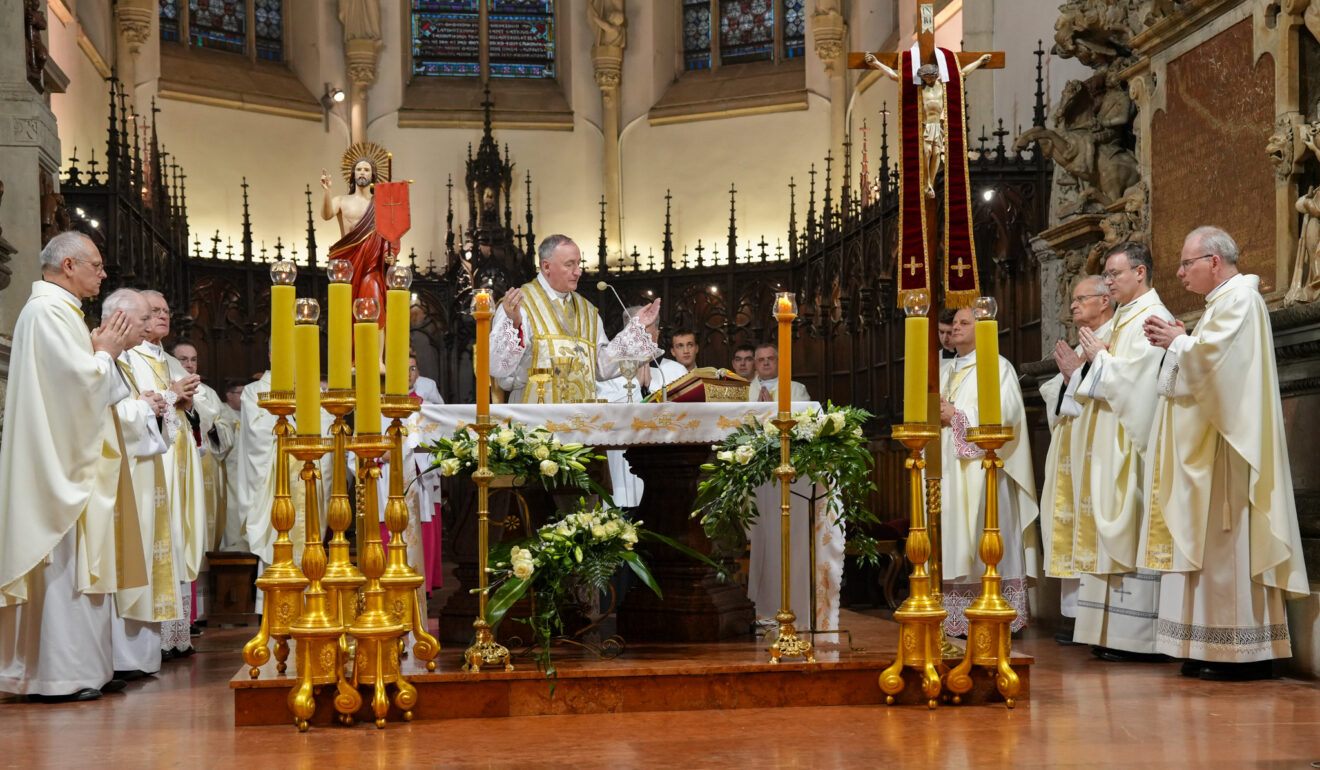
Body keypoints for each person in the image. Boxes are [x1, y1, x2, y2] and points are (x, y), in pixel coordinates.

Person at [1141, 226, 1308, 680]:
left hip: (1229, 450)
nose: (1179, 273)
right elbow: (1203, 362)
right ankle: (1203, 644)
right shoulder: (1222, 303)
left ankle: (1242, 654)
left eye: (1186, 263)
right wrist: (1180, 339)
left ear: (1214, 260)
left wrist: (1177, 341)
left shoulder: (1241, 300)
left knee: (1224, 546)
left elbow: (1218, 367)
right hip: (1211, 444)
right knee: (1204, 546)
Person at [0, 231, 141, 702]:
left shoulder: (63, 313)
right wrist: (106, 354)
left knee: (86, 563)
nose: (102, 275)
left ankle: (90, 668)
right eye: (96, 266)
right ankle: (57, 676)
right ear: (67, 266)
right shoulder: (46, 313)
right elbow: (77, 386)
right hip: (58, 467)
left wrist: (103, 354)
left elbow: (97, 388)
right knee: (64, 566)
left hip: (73, 458)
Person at [1067, 242, 1173, 662]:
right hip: (1110, 437)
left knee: (1130, 525)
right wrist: (1087, 367)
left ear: (1141, 272)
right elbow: (1110, 373)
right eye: (1106, 277)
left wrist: (1098, 363)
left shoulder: (1154, 317)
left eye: (1114, 274)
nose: (1108, 283)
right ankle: (1107, 632)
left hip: (1131, 443)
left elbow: (1141, 383)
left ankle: (1138, 639)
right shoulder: (1126, 317)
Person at [937, 306, 1039, 636]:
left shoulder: (997, 366)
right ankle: (959, 616)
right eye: (954, 323)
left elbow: (1006, 413)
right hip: (951, 469)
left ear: (982, 329)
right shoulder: (944, 369)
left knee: (986, 530)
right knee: (953, 535)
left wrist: (957, 415)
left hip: (985, 469)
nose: (956, 328)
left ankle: (995, 606)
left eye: (965, 323)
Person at [125, 291, 205, 659]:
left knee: (177, 536)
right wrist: (172, 396)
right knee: (157, 537)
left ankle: (176, 634)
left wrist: (185, 403)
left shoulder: (170, 360)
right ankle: (153, 639)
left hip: (180, 460)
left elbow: (183, 409)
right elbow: (137, 405)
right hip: (154, 462)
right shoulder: (128, 356)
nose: (162, 317)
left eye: (166, 311)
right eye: (154, 311)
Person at [490, 234, 660, 403]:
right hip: (535, 418)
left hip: (581, 420)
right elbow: (498, 368)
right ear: (546, 266)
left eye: (578, 263)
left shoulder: (587, 310)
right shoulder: (520, 304)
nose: (578, 271)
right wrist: (515, 324)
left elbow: (600, 366)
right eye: (569, 264)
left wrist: (636, 329)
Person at [106, 289, 176, 680]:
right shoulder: (113, 359)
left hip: (143, 471)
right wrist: (147, 406)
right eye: (144, 318)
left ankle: (138, 657)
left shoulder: (126, 363)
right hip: (125, 475)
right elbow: (105, 413)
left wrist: (151, 405)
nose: (151, 325)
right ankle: (124, 658)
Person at [1040, 275, 1113, 644]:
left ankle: (1096, 618)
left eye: (1081, 298)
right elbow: (1061, 396)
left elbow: (1114, 388)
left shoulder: (1113, 337)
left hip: (1097, 449)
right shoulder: (1081, 343)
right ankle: (1075, 618)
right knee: (1070, 529)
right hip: (1069, 445)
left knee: (1092, 529)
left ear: (1104, 301)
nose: (1072, 305)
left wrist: (1074, 376)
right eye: (1071, 299)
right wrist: (1069, 378)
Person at [864, 52, 992, 198]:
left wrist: (980, 61)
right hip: (925, 126)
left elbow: (962, 73)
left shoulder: (942, 86)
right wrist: (876, 63)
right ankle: (926, 184)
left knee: (937, 153)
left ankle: (930, 183)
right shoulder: (918, 88)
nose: (929, 80)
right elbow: (894, 76)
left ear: (936, 75)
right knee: (926, 153)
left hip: (937, 125)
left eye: (931, 77)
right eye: (926, 78)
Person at [170, 340, 229, 627]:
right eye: (183, 359)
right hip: (180, 470)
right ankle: (184, 614)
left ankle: (202, 609)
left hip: (208, 473)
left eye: (193, 359)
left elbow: (225, 434)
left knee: (203, 534)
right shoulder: (168, 385)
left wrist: (214, 427)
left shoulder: (210, 394)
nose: (190, 364)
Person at [321, 144, 393, 324]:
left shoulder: (381, 204)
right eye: (359, 169)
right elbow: (326, 215)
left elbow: (389, 236)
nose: (362, 172)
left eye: (366, 170)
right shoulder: (342, 201)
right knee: (346, 314)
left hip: (371, 266)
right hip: (348, 265)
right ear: (353, 174)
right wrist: (327, 190)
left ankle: (376, 353)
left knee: (374, 305)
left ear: (372, 175)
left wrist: (390, 256)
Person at [218, 380, 246, 552]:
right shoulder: (223, 412)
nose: (244, 398)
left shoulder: (249, 412)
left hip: (244, 472)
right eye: (240, 393)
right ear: (229, 395)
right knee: (231, 511)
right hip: (229, 471)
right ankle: (231, 547)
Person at [746, 342, 810, 403]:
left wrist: (772, 407)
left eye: (771, 358)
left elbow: (803, 413)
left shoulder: (797, 389)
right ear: (755, 364)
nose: (766, 363)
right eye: (761, 360)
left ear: (779, 361)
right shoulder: (744, 390)